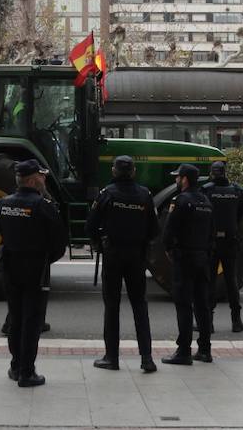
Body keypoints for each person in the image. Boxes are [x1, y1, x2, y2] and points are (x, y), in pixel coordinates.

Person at [0, 159, 67, 387]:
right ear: (31, 179)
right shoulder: (43, 206)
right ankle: (27, 373)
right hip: (35, 269)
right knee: (32, 320)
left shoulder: (3, 203)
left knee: (16, 317)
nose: (44, 179)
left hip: (10, 267)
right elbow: (60, 243)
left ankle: (15, 366)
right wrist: (45, 260)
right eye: (41, 176)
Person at [86, 155, 159, 373]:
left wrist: (100, 242)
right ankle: (147, 358)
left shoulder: (106, 194)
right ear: (134, 172)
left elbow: (90, 226)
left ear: (114, 172)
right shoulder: (145, 195)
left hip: (113, 254)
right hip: (137, 255)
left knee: (112, 306)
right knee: (140, 305)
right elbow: (155, 230)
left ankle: (112, 357)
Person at [161, 163, 213, 366]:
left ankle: (183, 351)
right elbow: (211, 232)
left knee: (184, 305)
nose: (176, 180)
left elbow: (169, 230)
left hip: (184, 258)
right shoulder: (206, 201)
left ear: (184, 179)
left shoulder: (180, 201)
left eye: (177, 177)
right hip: (202, 258)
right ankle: (205, 350)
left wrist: (169, 250)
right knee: (202, 305)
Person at [202, 159, 243, 332]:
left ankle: (208, 322)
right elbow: (239, 216)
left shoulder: (206, 191)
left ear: (212, 173)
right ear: (225, 172)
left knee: (210, 281)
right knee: (231, 281)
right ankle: (236, 321)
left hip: (212, 242)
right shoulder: (237, 191)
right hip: (230, 241)